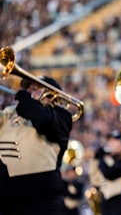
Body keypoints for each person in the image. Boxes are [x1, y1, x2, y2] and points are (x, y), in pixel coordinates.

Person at [0, 76, 73, 215]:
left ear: (53, 95)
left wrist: (28, 102)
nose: (30, 91)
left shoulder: (62, 116)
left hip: (40, 201)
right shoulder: (9, 114)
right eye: (28, 88)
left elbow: (42, 118)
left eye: (37, 88)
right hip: (6, 198)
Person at [91, 130, 121, 215]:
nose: (110, 143)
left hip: (119, 206)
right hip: (105, 205)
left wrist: (101, 158)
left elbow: (109, 173)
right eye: (110, 140)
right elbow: (94, 180)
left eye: (115, 141)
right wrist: (95, 159)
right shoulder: (107, 161)